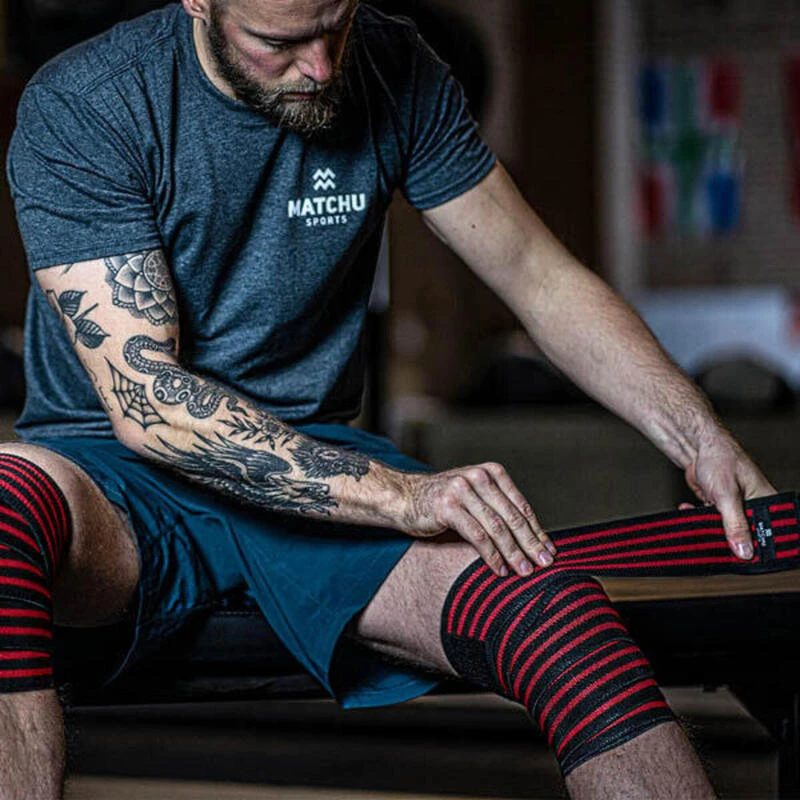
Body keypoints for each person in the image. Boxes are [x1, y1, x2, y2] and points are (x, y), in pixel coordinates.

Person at [0, 0, 776, 797]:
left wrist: (700, 436)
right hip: (116, 472)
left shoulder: (393, 64)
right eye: (279, 41)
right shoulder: (90, 101)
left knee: (556, 617)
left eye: (334, 24)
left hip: (315, 460)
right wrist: (402, 495)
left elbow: (537, 277)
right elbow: (150, 401)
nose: (321, 66)